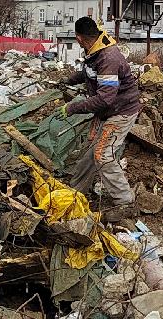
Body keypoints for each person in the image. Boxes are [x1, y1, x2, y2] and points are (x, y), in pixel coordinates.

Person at [58, 16, 141, 220]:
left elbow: (105, 98)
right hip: (108, 111)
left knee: (103, 155)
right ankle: (76, 188)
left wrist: (73, 108)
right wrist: (70, 80)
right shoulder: (95, 48)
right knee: (91, 150)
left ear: (78, 38)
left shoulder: (108, 58)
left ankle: (124, 201)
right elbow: (89, 72)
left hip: (120, 112)